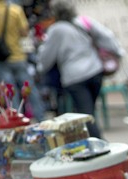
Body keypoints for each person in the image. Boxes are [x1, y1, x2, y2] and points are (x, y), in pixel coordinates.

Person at [34, 1, 122, 138]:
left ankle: (100, 145)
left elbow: (46, 56)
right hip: (95, 71)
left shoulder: (56, 29)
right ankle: (90, 142)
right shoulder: (84, 21)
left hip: (75, 77)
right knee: (89, 112)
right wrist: (118, 53)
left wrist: (40, 69)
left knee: (85, 115)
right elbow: (107, 36)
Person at [0, 0, 46, 119]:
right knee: (30, 88)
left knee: (9, 92)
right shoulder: (15, 10)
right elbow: (24, 32)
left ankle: (16, 120)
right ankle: (40, 117)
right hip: (17, 55)